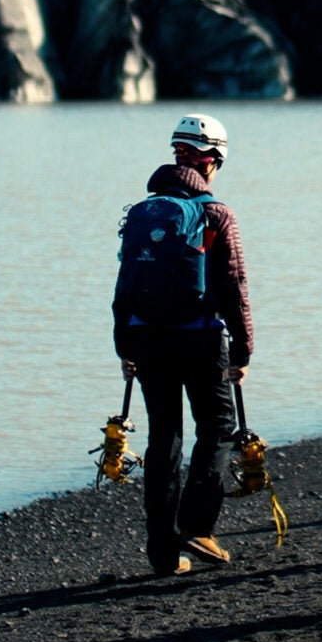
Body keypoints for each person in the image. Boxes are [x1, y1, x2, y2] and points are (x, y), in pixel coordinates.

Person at [114, 113, 255, 575]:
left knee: (163, 440)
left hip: (148, 338)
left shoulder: (141, 212)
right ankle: (197, 526)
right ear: (212, 160)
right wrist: (244, 350)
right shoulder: (216, 213)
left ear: (177, 154)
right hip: (200, 337)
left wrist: (124, 345)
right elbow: (233, 284)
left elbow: (125, 282)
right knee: (216, 427)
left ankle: (162, 554)